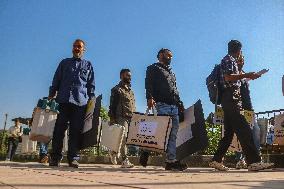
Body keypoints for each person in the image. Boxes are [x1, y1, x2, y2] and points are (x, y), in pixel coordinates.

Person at [209, 40, 273, 171]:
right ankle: (254, 162)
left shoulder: (229, 60)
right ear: (239, 50)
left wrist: (245, 75)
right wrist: (248, 74)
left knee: (228, 134)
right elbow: (228, 77)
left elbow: (233, 77)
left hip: (228, 99)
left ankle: (216, 160)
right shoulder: (229, 59)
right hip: (232, 98)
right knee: (244, 130)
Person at [48, 39, 95, 168]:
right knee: (58, 130)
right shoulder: (64, 63)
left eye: (79, 47)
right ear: (72, 48)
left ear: (83, 49)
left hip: (80, 103)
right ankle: (55, 158)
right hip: (63, 101)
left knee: (75, 131)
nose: (76, 48)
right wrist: (52, 93)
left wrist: (92, 101)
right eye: (75, 46)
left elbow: (91, 85)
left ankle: (73, 158)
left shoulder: (88, 65)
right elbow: (56, 78)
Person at [141, 48, 187, 171]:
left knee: (173, 134)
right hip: (161, 104)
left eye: (171, 56)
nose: (170, 58)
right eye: (168, 55)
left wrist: (180, 104)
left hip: (174, 106)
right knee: (159, 132)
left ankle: (170, 161)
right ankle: (145, 150)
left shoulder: (171, 72)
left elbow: (174, 89)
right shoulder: (153, 68)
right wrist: (149, 98)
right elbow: (148, 83)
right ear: (161, 55)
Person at [234, 55, 261, 169]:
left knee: (255, 130)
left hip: (248, 109)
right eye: (239, 60)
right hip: (239, 108)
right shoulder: (234, 74)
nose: (241, 62)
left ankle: (253, 158)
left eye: (242, 60)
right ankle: (240, 160)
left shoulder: (243, 74)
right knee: (238, 135)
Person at [108, 69, 136, 168]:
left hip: (131, 118)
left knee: (123, 139)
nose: (129, 77)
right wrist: (112, 118)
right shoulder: (116, 89)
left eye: (130, 75)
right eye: (127, 75)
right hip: (121, 117)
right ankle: (124, 160)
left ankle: (113, 151)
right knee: (123, 138)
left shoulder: (131, 91)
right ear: (121, 76)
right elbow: (112, 105)